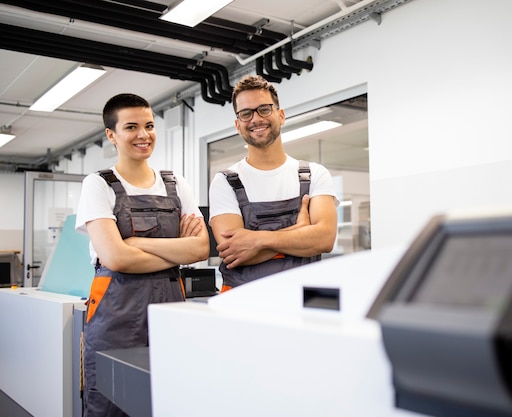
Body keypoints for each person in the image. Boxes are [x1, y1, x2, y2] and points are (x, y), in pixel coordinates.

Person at [75, 93, 209, 417]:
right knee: (110, 400)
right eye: (131, 127)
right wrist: (178, 252)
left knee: (169, 397)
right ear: (112, 135)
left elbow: (202, 248)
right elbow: (116, 259)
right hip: (114, 310)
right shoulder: (98, 185)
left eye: (149, 125)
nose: (143, 135)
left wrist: (135, 243)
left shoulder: (176, 184)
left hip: (170, 305)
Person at [209, 75, 338, 291]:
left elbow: (324, 239)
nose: (256, 119)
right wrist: (299, 231)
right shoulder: (225, 181)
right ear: (238, 125)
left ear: (281, 115)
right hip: (243, 304)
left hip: (302, 301)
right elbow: (233, 253)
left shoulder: (315, 174)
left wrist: (256, 240)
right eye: (246, 113)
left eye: (264, 109)